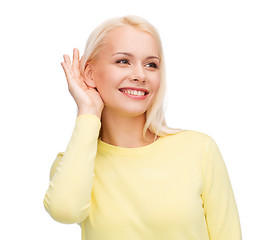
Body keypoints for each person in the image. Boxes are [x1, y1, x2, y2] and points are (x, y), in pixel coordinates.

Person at [43, 15, 242, 240]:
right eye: (123, 61)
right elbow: (64, 211)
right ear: (89, 73)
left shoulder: (199, 149)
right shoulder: (74, 163)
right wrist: (88, 112)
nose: (140, 75)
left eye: (151, 65)